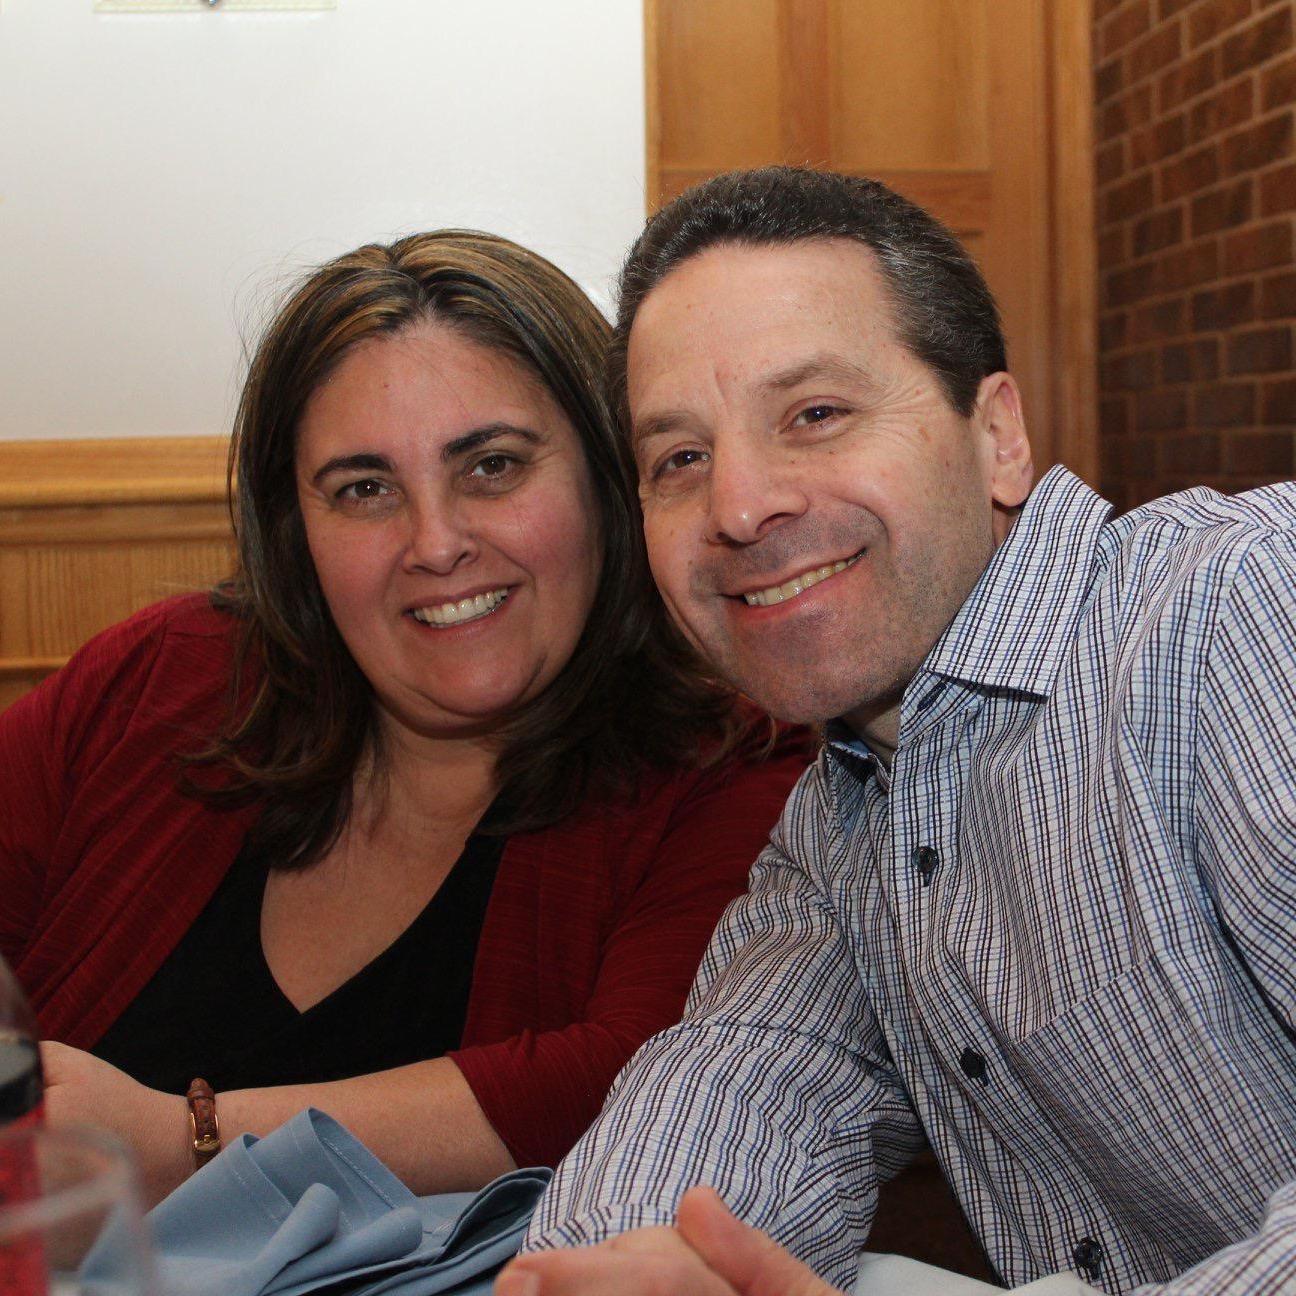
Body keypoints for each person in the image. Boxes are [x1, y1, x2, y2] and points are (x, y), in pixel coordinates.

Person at [497, 168, 1296, 1295]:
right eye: (680, 459)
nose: (739, 507)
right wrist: (608, 1273)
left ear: (998, 436)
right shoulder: (841, 820)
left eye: (815, 415)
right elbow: (742, 1086)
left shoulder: (1242, 609)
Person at [0, 230, 809, 1206]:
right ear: (296, 530)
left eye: (493, 466)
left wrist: (184, 1143)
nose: (435, 542)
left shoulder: (736, 764)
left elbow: (642, 1079)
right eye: (365, 489)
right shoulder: (163, 679)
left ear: (608, 480)